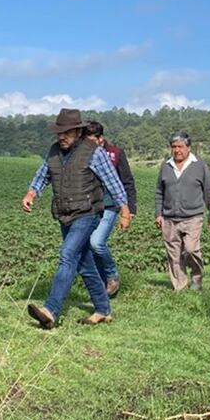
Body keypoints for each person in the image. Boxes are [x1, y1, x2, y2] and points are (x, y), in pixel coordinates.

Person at [21, 109, 131, 328]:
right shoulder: (54, 151)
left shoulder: (93, 152)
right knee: (84, 263)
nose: (62, 137)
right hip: (64, 214)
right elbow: (43, 174)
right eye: (59, 132)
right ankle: (103, 310)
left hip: (88, 213)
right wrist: (31, 193)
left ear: (78, 131)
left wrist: (124, 211)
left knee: (67, 255)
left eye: (67, 132)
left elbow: (113, 182)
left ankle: (50, 310)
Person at [156, 132, 210, 290]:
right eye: (174, 147)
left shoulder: (199, 165)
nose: (177, 150)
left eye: (180, 147)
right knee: (174, 255)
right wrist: (158, 214)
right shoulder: (165, 166)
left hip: (192, 217)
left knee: (190, 249)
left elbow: (209, 190)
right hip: (169, 217)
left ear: (188, 148)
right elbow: (159, 192)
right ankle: (180, 287)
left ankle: (197, 276)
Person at [84, 121, 137, 297]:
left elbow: (127, 182)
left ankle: (112, 275)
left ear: (101, 139)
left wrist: (129, 210)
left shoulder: (115, 153)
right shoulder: (82, 154)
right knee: (89, 246)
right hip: (90, 206)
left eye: (91, 140)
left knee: (96, 242)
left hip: (110, 205)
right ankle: (101, 284)